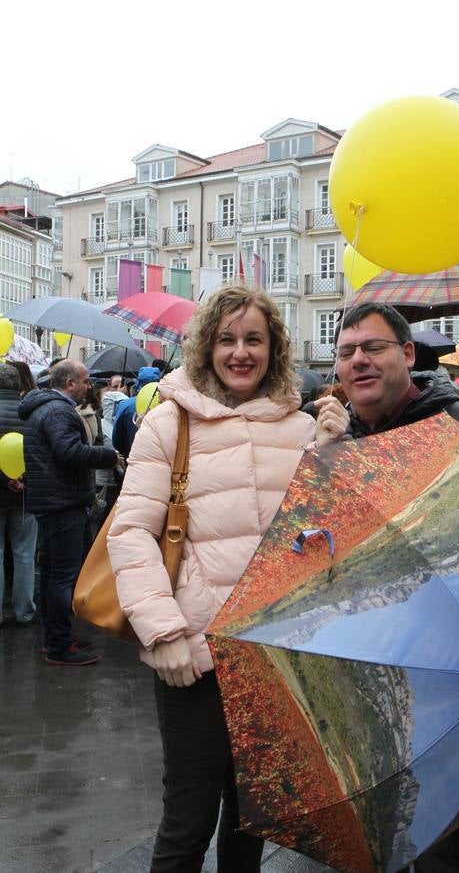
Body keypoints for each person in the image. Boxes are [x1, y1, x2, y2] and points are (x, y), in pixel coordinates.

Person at [107, 285, 322, 873]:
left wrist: (334, 448)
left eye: (254, 338)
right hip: (193, 657)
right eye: (226, 339)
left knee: (251, 819)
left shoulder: (301, 429)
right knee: (188, 821)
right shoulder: (169, 423)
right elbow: (131, 534)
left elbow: (314, 536)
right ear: (206, 346)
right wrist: (164, 632)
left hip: (271, 654)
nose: (240, 352)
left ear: (274, 347)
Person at [313, 303, 459, 873]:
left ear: (406, 354)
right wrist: (325, 464)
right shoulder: (341, 433)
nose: (358, 361)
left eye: (373, 347)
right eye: (347, 351)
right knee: (369, 832)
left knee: (435, 840)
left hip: (444, 666)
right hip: (363, 658)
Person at [19, 360, 119, 665]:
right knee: (62, 577)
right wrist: (109, 456)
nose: (90, 387)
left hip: (53, 502)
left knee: (52, 575)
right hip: (63, 504)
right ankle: (60, 645)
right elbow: (70, 452)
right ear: (70, 383)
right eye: (86, 381)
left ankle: (57, 637)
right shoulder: (59, 411)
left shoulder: (45, 408)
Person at [0, 364, 37, 626]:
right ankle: (24, 611)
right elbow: (39, 454)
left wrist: (5, 480)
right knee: (25, 554)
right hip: (27, 495)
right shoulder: (31, 413)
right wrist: (23, 479)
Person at [111, 366, 161, 460]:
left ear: (138, 382)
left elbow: (116, 441)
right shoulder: (167, 405)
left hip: (131, 461)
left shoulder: (125, 405)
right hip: (160, 462)